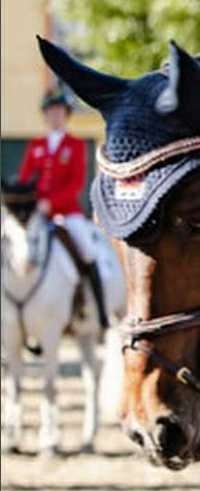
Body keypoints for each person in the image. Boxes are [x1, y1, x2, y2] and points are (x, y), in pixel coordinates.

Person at [17, 87, 108, 327]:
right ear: (45, 115)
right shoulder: (36, 144)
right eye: (50, 112)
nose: (54, 116)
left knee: (88, 251)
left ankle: (98, 310)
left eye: (58, 111)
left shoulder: (75, 145)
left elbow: (76, 184)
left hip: (68, 214)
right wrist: (29, 204)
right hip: (37, 214)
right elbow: (25, 179)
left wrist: (52, 203)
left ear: (66, 114)